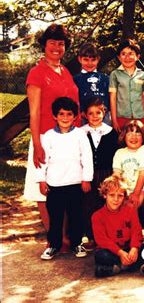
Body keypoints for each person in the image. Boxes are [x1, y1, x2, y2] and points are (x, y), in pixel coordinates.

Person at [24, 23, 80, 231]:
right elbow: (34, 112)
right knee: (43, 189)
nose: (57, 47)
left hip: (68, 138)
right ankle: (53, 235)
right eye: (52, 43)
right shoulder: (37, 73)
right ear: (44, 45)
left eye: (61, 43)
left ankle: (65, 235)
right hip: (46, 138)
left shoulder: (65, 71)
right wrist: (38, 144)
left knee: (65, 185)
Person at [37, 97, 93, 260]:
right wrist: (42, 180)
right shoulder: (48, 136)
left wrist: (86, 179)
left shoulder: (80, 135)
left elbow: (87, 157)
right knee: (56, 217)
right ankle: (54, 245)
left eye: (69, 114)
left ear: (75, 116)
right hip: (55, 184)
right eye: (61, 114)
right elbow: (42, 160)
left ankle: (77, 243)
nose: (65, 118)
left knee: (76, 215)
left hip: (75, 183)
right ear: (55, 116)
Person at [81, 97, 119, 250]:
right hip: (88, 174)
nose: (95, 116)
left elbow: (115, 155)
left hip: (106, 173)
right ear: (85, 115)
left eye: (98, 112)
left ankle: (109, 237)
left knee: (106, 204)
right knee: (89, 205)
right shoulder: (81, 133)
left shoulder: (111, 133)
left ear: (104, 113)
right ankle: (91, 236)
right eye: (91, 113)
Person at [92, 175, 143, 277]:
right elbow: (101, 240)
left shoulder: (130, 210)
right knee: (101, 255)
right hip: (112, 251)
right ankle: (128, 265)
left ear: (124, 196)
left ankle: (115, 267)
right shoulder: (97, 216)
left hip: (129, 248)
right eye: (112, 195)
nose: (116, 199)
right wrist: (120, 253)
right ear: (104, 195)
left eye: (120, 196)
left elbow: (136, 230)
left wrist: (134, 248)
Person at [109, 39, 144, 132]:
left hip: (140, 117)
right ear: (119, 57)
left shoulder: (143, 75)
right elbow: (113, 98)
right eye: (123, 54)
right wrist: (114, 120)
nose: (127, 57)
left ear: (137, 56)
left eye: (131, 53)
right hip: (122, 117)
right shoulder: (115, 74)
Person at [112, 120, 144, 208]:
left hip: (142, 188)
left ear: (143, 137)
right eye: (130, 134)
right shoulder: (120, 152)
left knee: (132, 206)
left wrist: (135, 194)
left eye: (138, 134)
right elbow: (116, 175)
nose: (134, 137)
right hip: (124, 188)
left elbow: (143, 174)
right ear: (124, 136)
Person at [73, 42, 111, 125]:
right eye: (86, 60)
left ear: (98, 59)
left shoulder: (105, 78)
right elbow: (74, 98)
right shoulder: (75, 79)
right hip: (84, 118)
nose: (89, 63)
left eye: (93, 60)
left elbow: (108, 97)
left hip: (103, 117)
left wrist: (106, 108)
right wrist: (81, 110)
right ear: (80, 59)